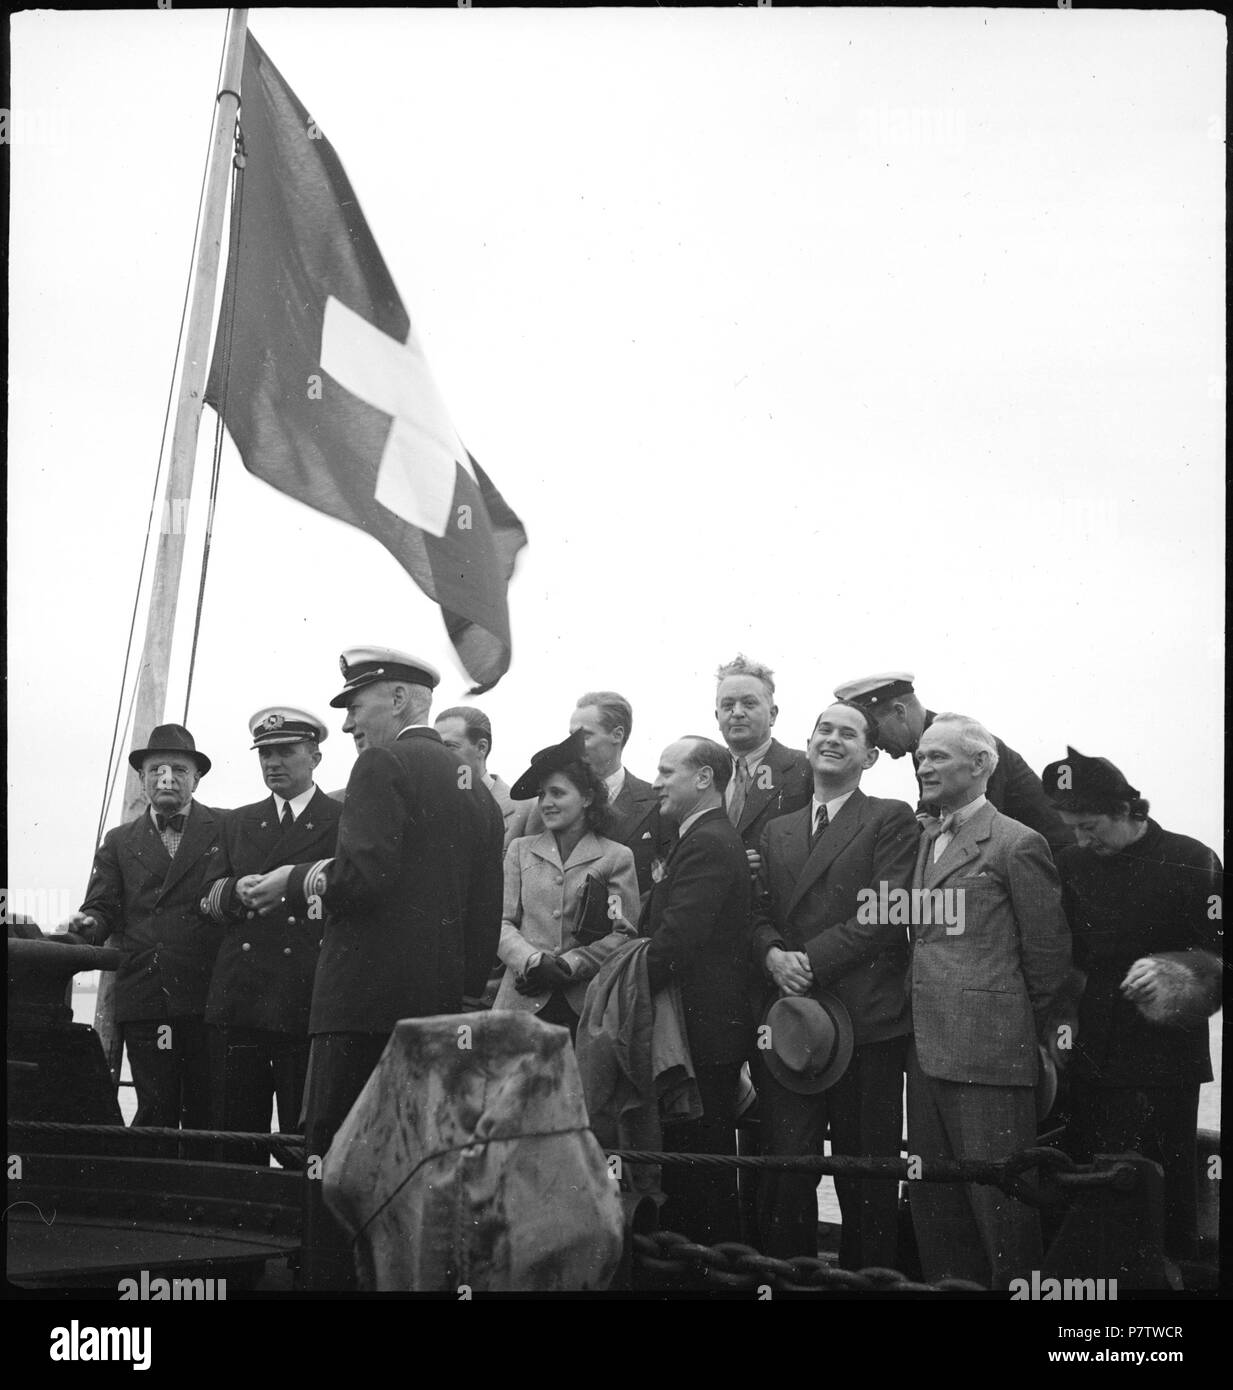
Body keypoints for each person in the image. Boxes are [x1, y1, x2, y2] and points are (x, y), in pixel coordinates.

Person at [244, 646, 504, 1289]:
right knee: (414, 1165)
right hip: (437, 1015)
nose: (350, 725)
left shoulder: (383, 764)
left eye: (356, 706)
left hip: (357, 1009)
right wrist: (461, 994)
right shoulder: (476, 792)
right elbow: (484, 914)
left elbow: (361, 879)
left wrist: (294, 877)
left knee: (333, 1161)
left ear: (397, 699)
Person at [905, 713, 1073, 1289]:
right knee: (938, 1215)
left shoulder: (1017, 843)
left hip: (990, 1059)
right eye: (922, 756)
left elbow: (1048, 961)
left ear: (980, 765)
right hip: (925, 1055)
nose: (923, 766)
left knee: (1004, 1219)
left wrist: (1009, 1030)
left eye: (938, 757)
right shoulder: (925, 838)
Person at [751, 701, 919, 1266]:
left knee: (865, 1174)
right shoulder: (778, 830)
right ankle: (790, 1280)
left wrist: (806, 960)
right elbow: (754, 911)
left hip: (865, 1025)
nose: (833, 739)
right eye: (824, 729)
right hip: (794, 1022)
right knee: (789, 1168)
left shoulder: (890, 818)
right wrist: (773, 954)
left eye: (848, 734)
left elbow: (885, 912)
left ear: (870, 756)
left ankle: (867, 1283)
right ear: (807, 743)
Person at [1042, 747, 1222, 1262]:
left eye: (1090, 825)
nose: (1081, 838)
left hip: (1166, 1061)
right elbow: (1065, 959)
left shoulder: (1193, 858)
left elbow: (1220, 956)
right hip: (1091, 1055)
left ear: (1127, 812)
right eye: (1072, 827)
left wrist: (1178, 969)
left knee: (1163, 1195)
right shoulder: (1070, 864)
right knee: (1090, 1188)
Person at [60, 724, 225, 1132]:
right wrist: (87, 925)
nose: (166, 777)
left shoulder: (226, 828)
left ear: (196, 777)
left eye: (179, 769)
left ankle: (203, 1194)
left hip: (211, 998)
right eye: (156, 769)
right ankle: (154, 1192)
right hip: (148, 999)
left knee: (210, 1109)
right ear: (142, 778)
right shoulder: (118, 841)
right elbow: (102, 908)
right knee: (156, 1107)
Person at [199, 707, 342, 1160]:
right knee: (237, 1131)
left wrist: (293, 890)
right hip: (242, 996)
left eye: (285, 751)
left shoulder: (343, 820)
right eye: (265, 754)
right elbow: (205, 896)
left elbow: (354, 893)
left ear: (315, 757)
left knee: (305, 1137)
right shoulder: (237, 822)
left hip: (307, 995)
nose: (273, 763)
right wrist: (236, 890)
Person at [644, 735, 754, 1243]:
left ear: (705, 778)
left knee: (700, 1168)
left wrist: (617, 983)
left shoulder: (707, 841)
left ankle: (706, 1270)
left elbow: (678, 941)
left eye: (668, 772)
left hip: (702, 1035)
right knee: (697, 1165)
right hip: (702, 1031)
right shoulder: (701, 836)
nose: (658, 782)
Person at [493, 732, 639, 1037]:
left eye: (557, 793)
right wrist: (532, 961)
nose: (546, 803)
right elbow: (501, 923)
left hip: (582, 1009)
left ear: (586, 797)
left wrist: (570, 965)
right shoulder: (520, 851)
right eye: (542, 794)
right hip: (520, 1001)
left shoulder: (615, 858)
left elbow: (622, 933)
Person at [833, 671, 1073, 856]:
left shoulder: (963, 744)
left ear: (899, 712)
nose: (874, 744)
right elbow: (931, 815)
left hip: (1051, 863)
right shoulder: (931, 750)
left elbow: (977, 828)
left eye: (874, 731)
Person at [523, 690, 672, 899]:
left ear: (617, 735)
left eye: (585, 736)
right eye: (570, 736)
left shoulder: (656, 802)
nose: (573, 746)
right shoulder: (549, 804)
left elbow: (664, 884)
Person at [714, 655, 812, 869]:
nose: (737, 713)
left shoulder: (806, 768)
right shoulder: (703, 773)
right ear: (717, 716)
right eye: (728, 705)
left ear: (773, 715)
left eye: (749, 704)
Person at [434, 704, 532, 849]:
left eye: (450, 746)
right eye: (436, 746)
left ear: (481, 748)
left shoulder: (526, 809)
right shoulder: (430, 806)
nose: (439, 755)